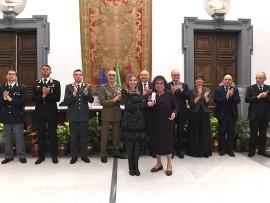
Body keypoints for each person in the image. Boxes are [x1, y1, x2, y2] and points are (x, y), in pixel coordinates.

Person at [121, 73, 153, 176]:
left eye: (135, 80)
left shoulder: (139, 91)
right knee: (130, 145)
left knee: (137, 145)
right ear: (127, 81)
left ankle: (136, 166)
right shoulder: (124, 91)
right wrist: (145, 104)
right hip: (129, 121)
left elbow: (139, 103)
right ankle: (131, 167)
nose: (133, 82)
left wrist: (144, 98)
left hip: (139, 120)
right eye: (131, 80)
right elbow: (130, 106)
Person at [147, 75, 178, 176]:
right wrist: (148, 104)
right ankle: (159, 163)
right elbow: (145, 106)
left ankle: (169, 164)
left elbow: (176, 106)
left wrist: (174, 113)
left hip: (167, 122)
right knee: (156, 143)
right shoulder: (151, 94)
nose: (159, 85)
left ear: (164, 84)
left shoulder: (170, 94)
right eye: (157, 83)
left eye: (161, 83)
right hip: (155, 123)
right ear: (154, 85)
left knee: (168, 143)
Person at [63, 69, 94, 164]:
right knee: (74, 137)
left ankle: (84, 155)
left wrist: (86, 92)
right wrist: (74, 93)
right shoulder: (69, 87)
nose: (78, 76)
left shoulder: (86, 87)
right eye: (76, 75)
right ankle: (74, 156)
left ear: (82, 76)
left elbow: (91, 100)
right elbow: (66, 101)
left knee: (83, 136)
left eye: (80, 75)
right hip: (73, 115)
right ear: (73, 76)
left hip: (84, 115)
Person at [32, 65, 61, 164]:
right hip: (40, 113)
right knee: (40, 135)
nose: (45, 71)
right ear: (41, 71)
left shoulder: (56, 83)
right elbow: (33, 99)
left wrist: (48, 94)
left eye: (47, 69)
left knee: (53, 134)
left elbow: (57, 98)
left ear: (50, 71)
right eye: (43, 69)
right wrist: (43, 95)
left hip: (51, 112)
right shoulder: (36, 84)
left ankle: (54, 156)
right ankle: (41, 156)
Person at [0, 70, 27, 164]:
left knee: (19, 137)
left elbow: (22, 102)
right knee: (7, 138)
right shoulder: (2, 87)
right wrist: (4, 98)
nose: (11, 75)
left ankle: (21, 155)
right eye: (9, 74)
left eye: (13, 74)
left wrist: (9, 99)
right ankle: (8, 156)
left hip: (17, 116)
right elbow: (0, 103)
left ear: (16, 77)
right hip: (6, 116)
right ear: (6, 76)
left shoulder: (21, 88)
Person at [99, 70, 126, 163]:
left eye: (113, 75)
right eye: (110, 75)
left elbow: (122, 103)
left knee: (116, 135)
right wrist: (113, 100)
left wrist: (121, 98)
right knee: (105, 136)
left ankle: (116, 152)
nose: (112, 77)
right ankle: (103, 154)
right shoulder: (103, 87)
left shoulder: (119, 87)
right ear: (107, 76)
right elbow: (102, 102)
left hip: (117, 114)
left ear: (115, 77)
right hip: (107, 114)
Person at [214, 74, 240, 157]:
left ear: (232, 81)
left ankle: (230, 150)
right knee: (222, 133)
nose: (227, 81)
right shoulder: (218, 89)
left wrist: (231, 96)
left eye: (229, 79)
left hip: (232, 115)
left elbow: (238, 101)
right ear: (223, 80)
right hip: (222, 115)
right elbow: (216, 100)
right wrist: (226, 97)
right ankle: (222, 150)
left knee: (230, 133)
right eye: (226, 79)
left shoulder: (235, 90)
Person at [245, 71, 270, 158]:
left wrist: (265, 96)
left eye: (260, 78)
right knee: (253, 133)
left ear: (265, 79)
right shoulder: (250, 88)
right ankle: (252, 151)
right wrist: (258, 97)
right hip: (254, 115)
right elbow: (247, 99)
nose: (258, 80)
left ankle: (261, 151)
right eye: (257, 78)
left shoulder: (268, 88)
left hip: (265, 115)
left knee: (263, 134)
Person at [186, 75, 212, 158]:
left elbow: (210, 102)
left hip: (204, 112)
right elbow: (190, 103)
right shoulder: (191, 90)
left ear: (203, 81)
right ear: (195, 81)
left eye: (201, 79)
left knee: (204, 131)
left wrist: (205, 97)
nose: (199, 80)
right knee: (195, 131)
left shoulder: (207, 90)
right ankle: (195, 151)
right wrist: (198, 97)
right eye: (198, 79)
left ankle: (205, 151)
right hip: (194, 112)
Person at [167, 69, 190, 159]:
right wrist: (171, 92)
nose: (176, 76)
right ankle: (171, 151)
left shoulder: (185, 85)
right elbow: (165, 97)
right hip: (170, 111)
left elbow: (188, 97)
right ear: (171, 76)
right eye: (174, 75)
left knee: (180, 132)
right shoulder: (167, 85)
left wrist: (181, 90)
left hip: (182, 112)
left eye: (178, 75)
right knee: (171, 132)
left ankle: (179, 151)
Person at [138, 70, 155, 158]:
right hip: (140, 112)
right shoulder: (136, 85)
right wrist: (143, 94)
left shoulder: (153, 85)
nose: (144, 76)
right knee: (140, 131)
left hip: (151, 112)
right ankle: (140, 150)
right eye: (142, 75)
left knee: (151, 132)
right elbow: (135, 98)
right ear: (140, 76)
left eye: (145, 75)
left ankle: (152, 150)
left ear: (148, 76)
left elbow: (156, 95)